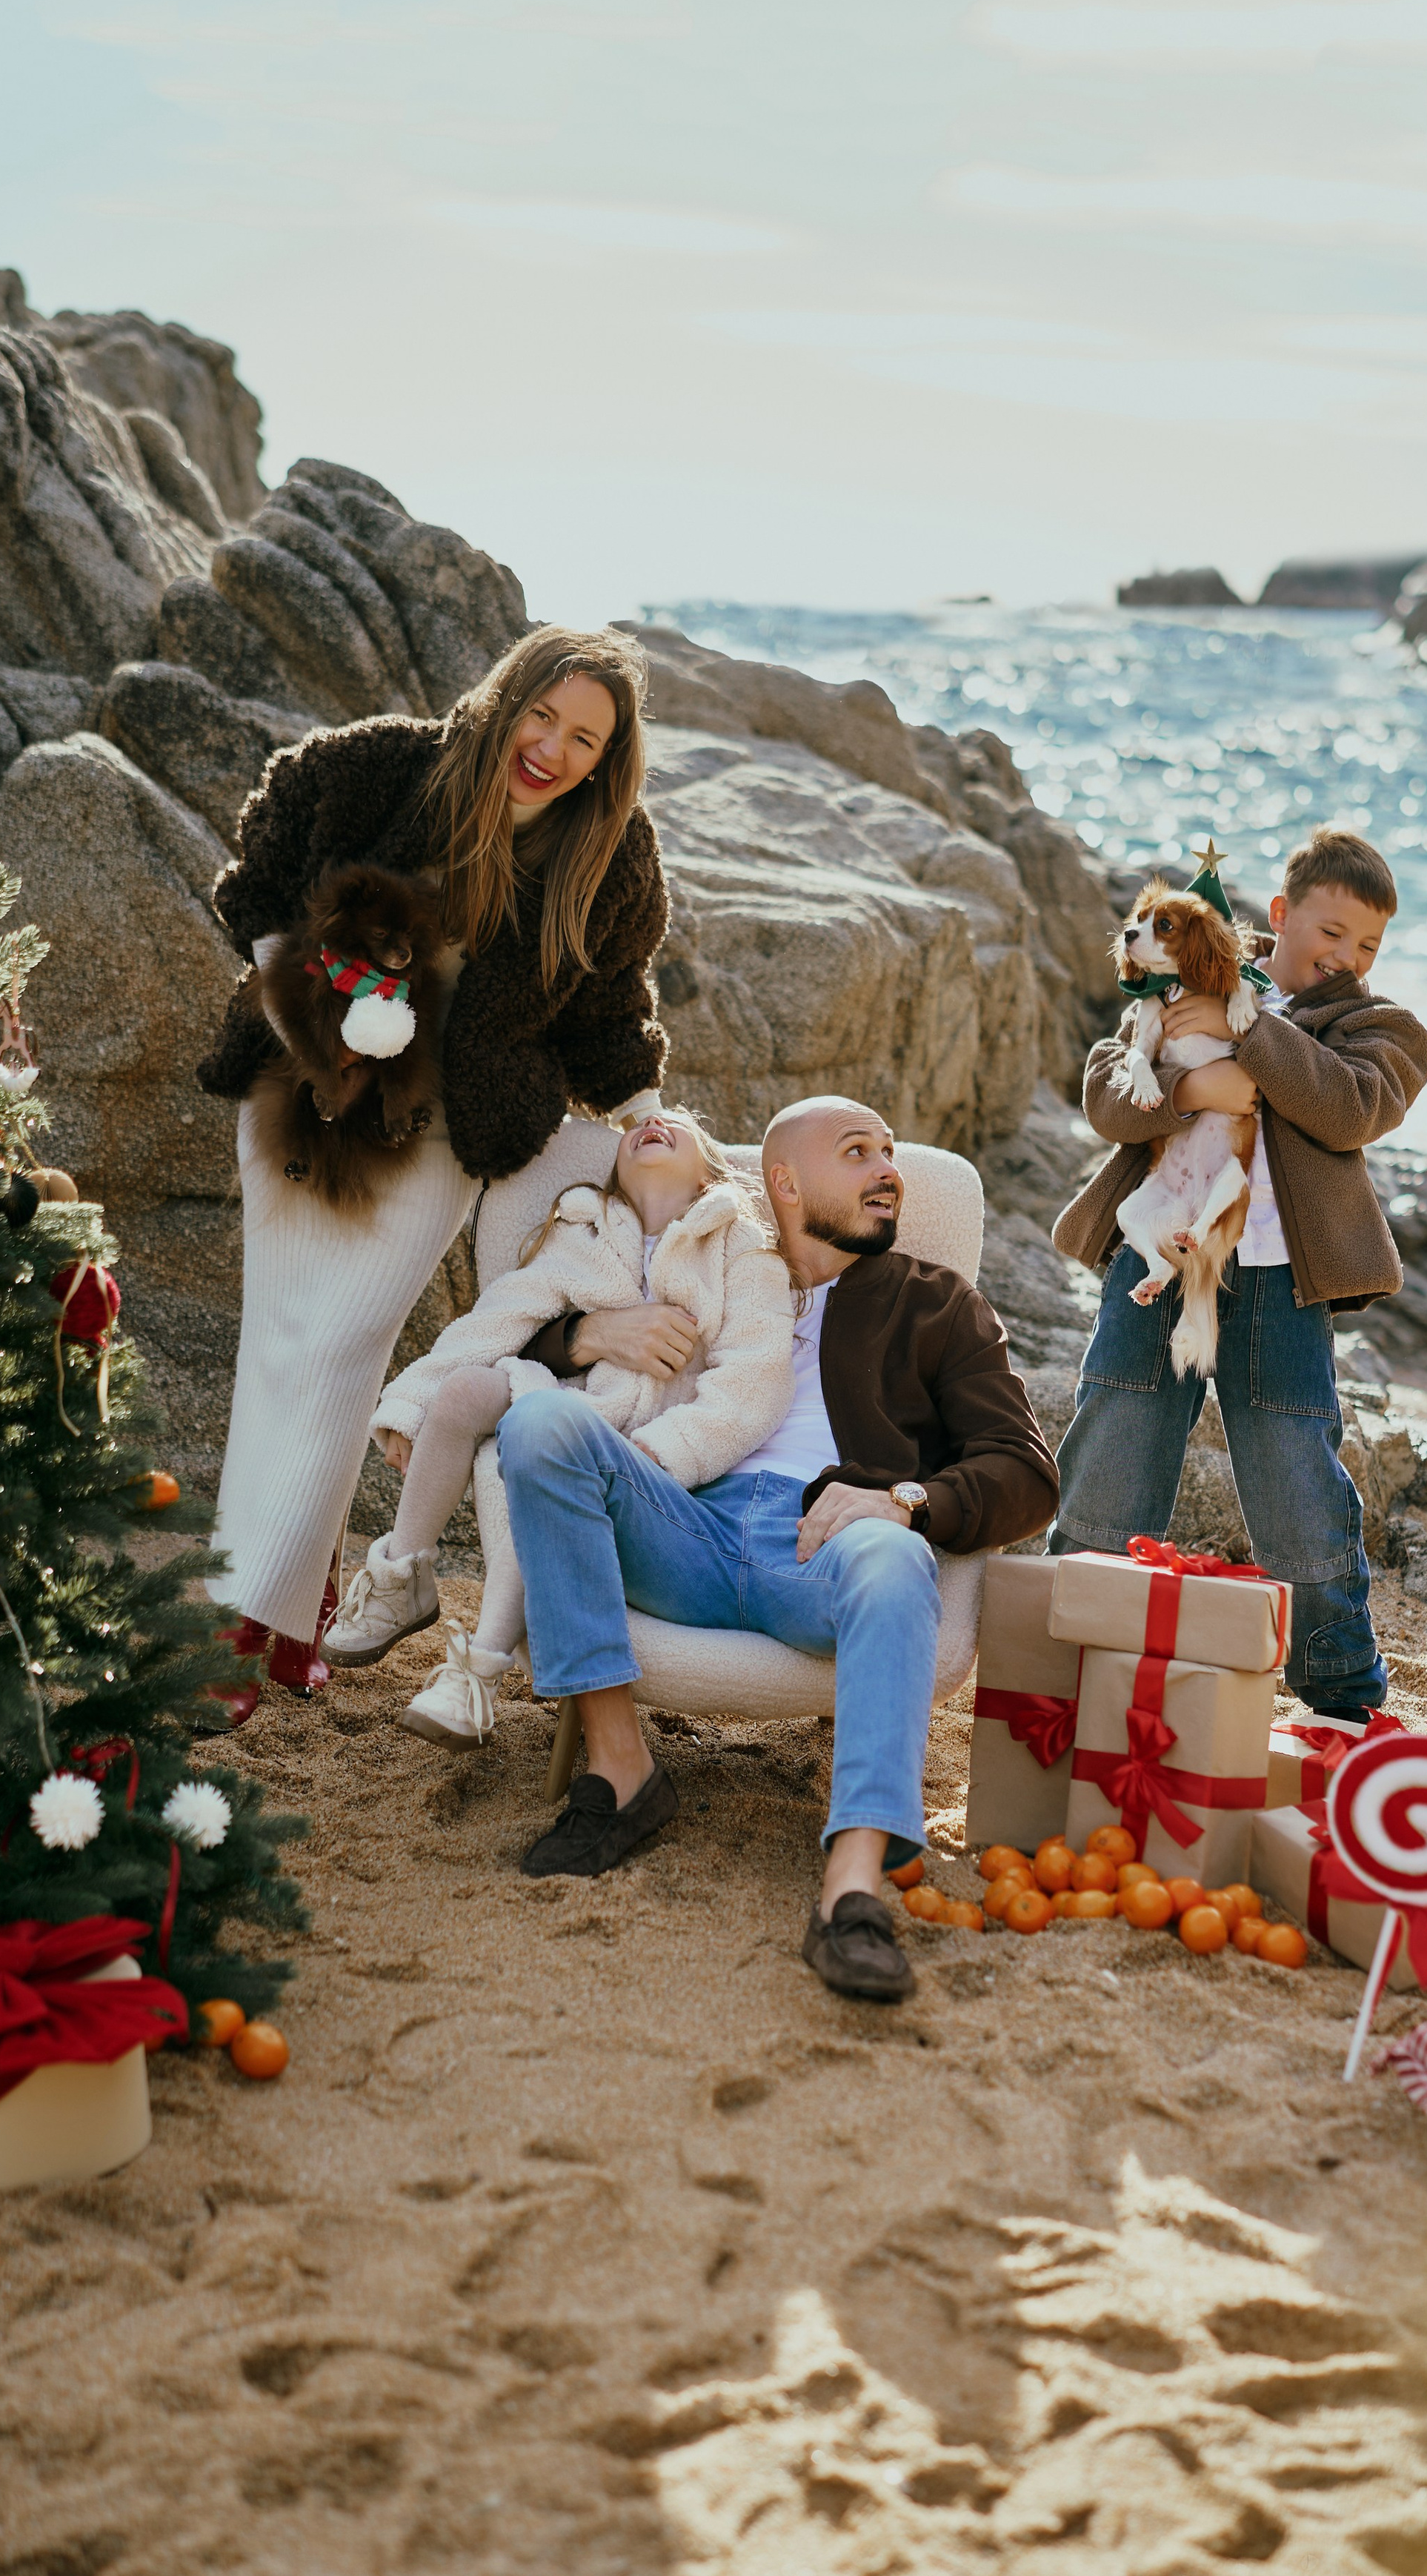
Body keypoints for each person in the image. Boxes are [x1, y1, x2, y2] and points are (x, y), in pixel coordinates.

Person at [193, 625, 671, 1714]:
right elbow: (260, 872)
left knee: (344, 1343)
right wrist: (302, 994)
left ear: (608, 760)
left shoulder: (610, 861)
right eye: (542, 715)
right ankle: (277, 1610)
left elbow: (608, 1016)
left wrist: (651, 1121)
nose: (551, 748)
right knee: (281, 1344)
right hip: (304, 1091)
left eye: (584, 738)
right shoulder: (386, 766)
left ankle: (243, 1626)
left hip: (443, 1130)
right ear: (507, 699)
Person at [494, 1095, 1060, 2002]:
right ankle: (621, 1768)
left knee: (892, 1555)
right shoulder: (698, 1267)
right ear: (785, 1183)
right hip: (682, 1526)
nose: (888, 1170)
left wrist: (904, 1500)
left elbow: (1026, 1473)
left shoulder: (935, 1301)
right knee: (541, 1426)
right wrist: (584, 1335)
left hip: (821, 1553)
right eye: (858, 1151)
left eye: (889, 1153)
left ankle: (853, 1890)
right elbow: (516, 1326)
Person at [1049, 826, 1427, 1722]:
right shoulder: (1184, 971)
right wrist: (1188, 1091)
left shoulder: (1382, 1028)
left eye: (1368, 944)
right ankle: (1068, 1660)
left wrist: (1239, 1032)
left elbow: (1345, 1108)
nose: (1346, 957)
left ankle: (1338, 1690)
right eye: (1330, 932)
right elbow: (1110, 1089)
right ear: (1281, 915)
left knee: (1294, 1476)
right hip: (1162, 1260)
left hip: (1278, 1286)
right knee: (1115, 1441)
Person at [325, 1109, 794, 1750]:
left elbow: (753, 1385)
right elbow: (498, 1320)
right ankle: (402, 1574)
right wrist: (413, 1401)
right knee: (467, 1392)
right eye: (641, 1126)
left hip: (655, 1457)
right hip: (570, 1404)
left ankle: (478, 1671)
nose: (653, 1122)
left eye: (676, 1124)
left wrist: (660, 1454)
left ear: (713, 1172)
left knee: (533, 1461)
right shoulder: (583, 1230)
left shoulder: (742, 1248)